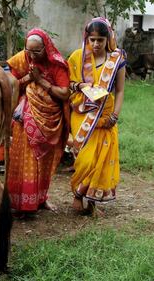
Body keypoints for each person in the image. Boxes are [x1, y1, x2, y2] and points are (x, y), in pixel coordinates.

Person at [6, 28, 70, 214]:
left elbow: (65, 93)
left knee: (44, 162)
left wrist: (41, 81)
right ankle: (21, 203)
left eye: (37, 51)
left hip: (50, 121)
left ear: (46, 48)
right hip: (24, 117)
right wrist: (29, 78)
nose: (32, 55)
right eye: (29, 50)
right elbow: (10, 84)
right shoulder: (21, 60)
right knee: (24, 159)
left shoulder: (57, 65)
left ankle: (40, 199)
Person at [68, 17, 126, 214]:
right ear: (87, 38)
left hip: (106, 115)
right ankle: (78, 194)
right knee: (86, 159)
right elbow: (68, 84)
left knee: (101, 159)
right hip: (82, 115)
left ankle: (90, 200)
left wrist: (115, 116)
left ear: (107, 39)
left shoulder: (116, 60)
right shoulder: (77, 57)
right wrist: (80, 85)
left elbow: (119, 91)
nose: (95, 44)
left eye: (100, 40)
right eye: (92, 39)